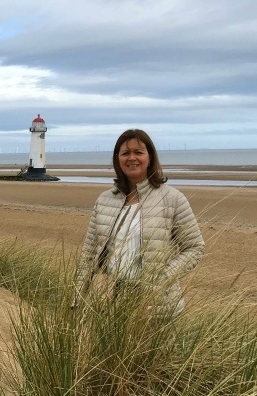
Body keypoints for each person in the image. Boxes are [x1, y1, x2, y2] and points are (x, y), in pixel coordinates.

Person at [73, 129, 204, 317]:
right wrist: (77, 299)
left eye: (139, 152)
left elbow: (195, 247)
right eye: (125, 153)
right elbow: (88, 254)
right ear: (117, 158)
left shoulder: (172, 198)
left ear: (149, 157)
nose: (132, 158)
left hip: (158, 307)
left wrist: (163, 277)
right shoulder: (104, 200)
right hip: (110, 303)